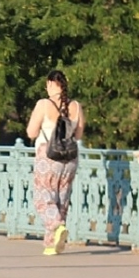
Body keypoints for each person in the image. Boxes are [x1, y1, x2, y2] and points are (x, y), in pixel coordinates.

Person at [25, 69, 84, 255]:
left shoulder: (43, 104)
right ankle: (52, 245)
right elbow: (79, 134)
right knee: (61, 199)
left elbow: (31, 133)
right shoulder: (76, 106)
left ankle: (56, 226)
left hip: (48, 156)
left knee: (43, 198)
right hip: (70, 157)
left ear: (51, 84)